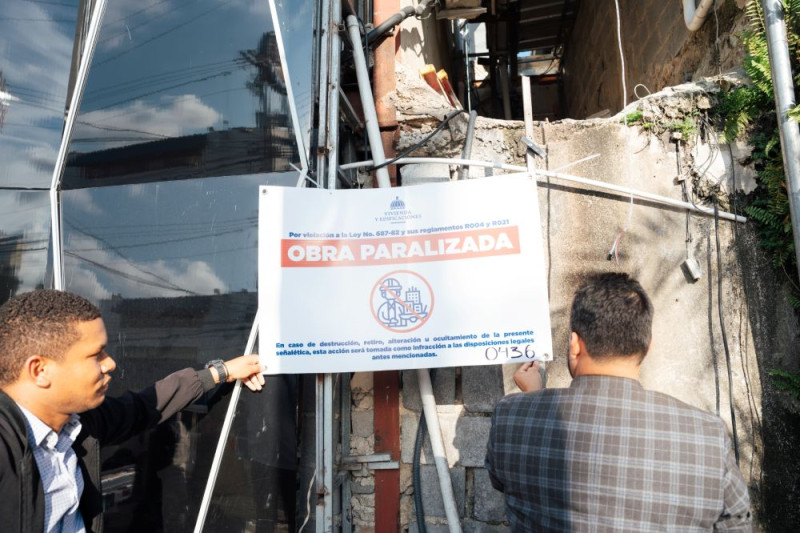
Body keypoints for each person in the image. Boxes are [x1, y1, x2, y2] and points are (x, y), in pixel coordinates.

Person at [485, 272, 752, 531]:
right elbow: (737, 522)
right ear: (646, 346)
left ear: (575, 345)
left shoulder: (510, 417)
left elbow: (503, 480)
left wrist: (532, 399)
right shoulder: (707, 435)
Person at [0, 289, 267, 533]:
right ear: (40, 371)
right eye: (97, 355)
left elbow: (146, 405)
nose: (111, 364)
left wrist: (222, 372)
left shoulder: (80, 424)